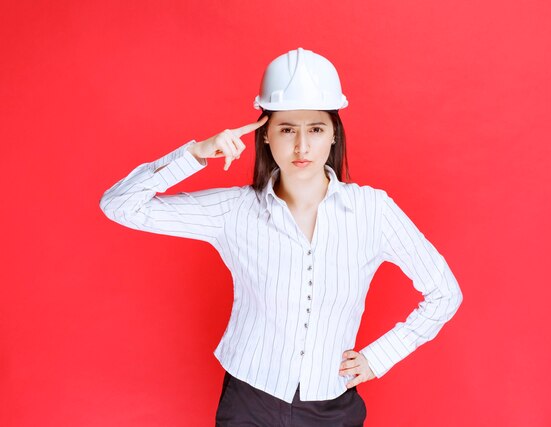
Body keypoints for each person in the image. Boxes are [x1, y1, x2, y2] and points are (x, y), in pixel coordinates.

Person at [100, 47, 463, 426]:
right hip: (249, 399)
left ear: (334, 136)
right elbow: (120, 206)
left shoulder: (373, 211)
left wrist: (381, 356)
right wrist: (197, 153)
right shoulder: (234, 210)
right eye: (287, 129)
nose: (302, 146)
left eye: (316, 130)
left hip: (331, 405)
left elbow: (444, 292)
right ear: (266, 137)